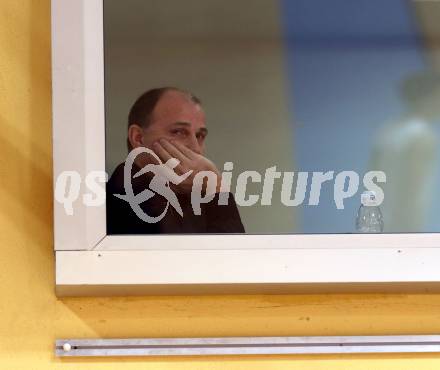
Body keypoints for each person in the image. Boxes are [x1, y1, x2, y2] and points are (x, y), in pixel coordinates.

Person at [106, 87, 245, 234]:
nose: (195, 148)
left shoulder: (196, 196)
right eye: (179, 132)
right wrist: (217, 187)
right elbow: (226, 255)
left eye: (199, 136)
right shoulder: (120, 199)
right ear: (138, 138)